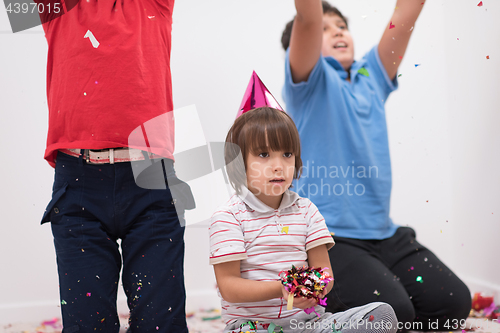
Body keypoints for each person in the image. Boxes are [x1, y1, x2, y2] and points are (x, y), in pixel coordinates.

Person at [281, 0, 471, 330]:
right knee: (394, 311)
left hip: (385, 235)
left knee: (453, 303)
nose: (337, 30)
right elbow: (308, 18)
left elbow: (405, 13)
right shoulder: (308, 83)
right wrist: (313, 22)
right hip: (329, 240)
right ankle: (318, 318)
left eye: (341, 25)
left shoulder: (371, 75)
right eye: (325, 29)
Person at [37, 0, 191, 332]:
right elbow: (14, 11)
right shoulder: (59, 7)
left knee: (161, 324)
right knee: (87, 325)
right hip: (79, 185)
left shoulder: (154, 5)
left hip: (152, 181)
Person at [209, 106, 398, 333]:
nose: (279, 165)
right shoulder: (228, 216)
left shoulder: (306, 210)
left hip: (308, 324)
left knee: (383, 315)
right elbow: (229, 286)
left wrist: (314, 288)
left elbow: (325, 274)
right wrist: (281, 288)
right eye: (264, 154)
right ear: (239, 164)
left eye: (287, 154)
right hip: (253, 327)